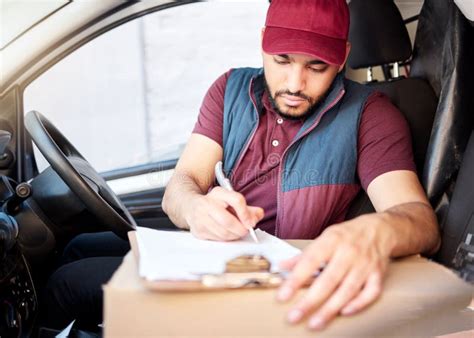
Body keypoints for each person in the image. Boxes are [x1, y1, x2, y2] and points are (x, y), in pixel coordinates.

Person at [162, 0, 440, 330]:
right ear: (263, 41)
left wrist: (377, 231)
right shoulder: (228, 90)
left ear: (342, 59)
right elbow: (183, 182)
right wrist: (195, 208)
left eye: (317, 66)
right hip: (209, 274)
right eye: (282, 60)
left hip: (291, 297)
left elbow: (420, 220)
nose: (295, 84)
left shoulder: (370, 115)